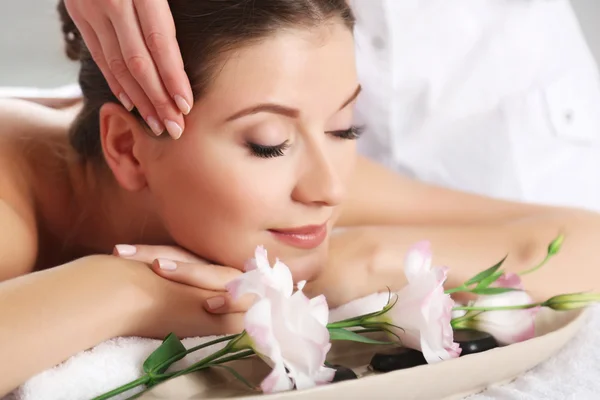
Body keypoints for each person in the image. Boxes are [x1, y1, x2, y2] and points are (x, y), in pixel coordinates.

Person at [1, 0, 600, 396]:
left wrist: (357, 260)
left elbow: (583, 242)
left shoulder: (301, 176)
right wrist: (135, 289)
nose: (330, 188)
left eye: (344, 128)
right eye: (268, 144)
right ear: (127, 149)